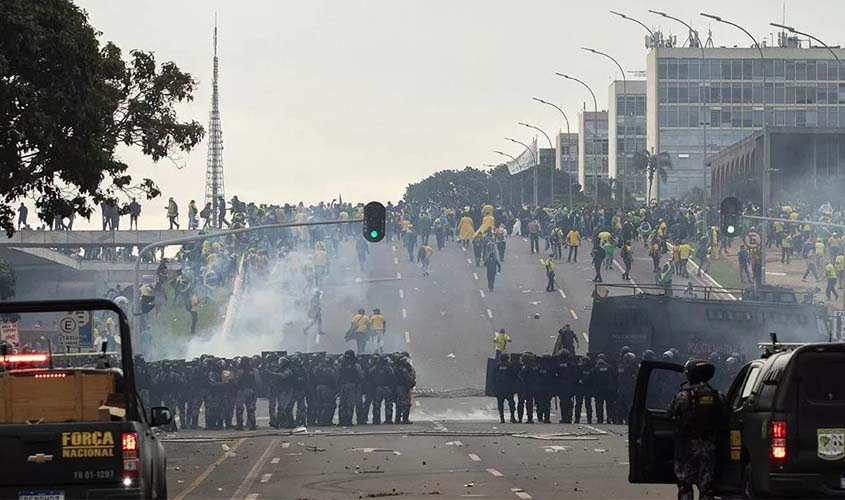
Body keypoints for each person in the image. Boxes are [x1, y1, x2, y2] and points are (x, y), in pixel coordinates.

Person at [669, 360, 722, 500]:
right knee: (706, 487)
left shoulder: (683, 396)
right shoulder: (718, 395)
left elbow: (670, 414)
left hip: (686, 447)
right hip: (709, 446)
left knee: (685, 485)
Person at [493, 353, 517, 423]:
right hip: (509, 388)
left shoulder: (497, 366)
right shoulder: (510, 366)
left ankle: (502, 418)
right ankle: (512, 417)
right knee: (511, 403)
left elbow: (493, 377)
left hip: (499, 388)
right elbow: (514, 376)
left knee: (500, 404)